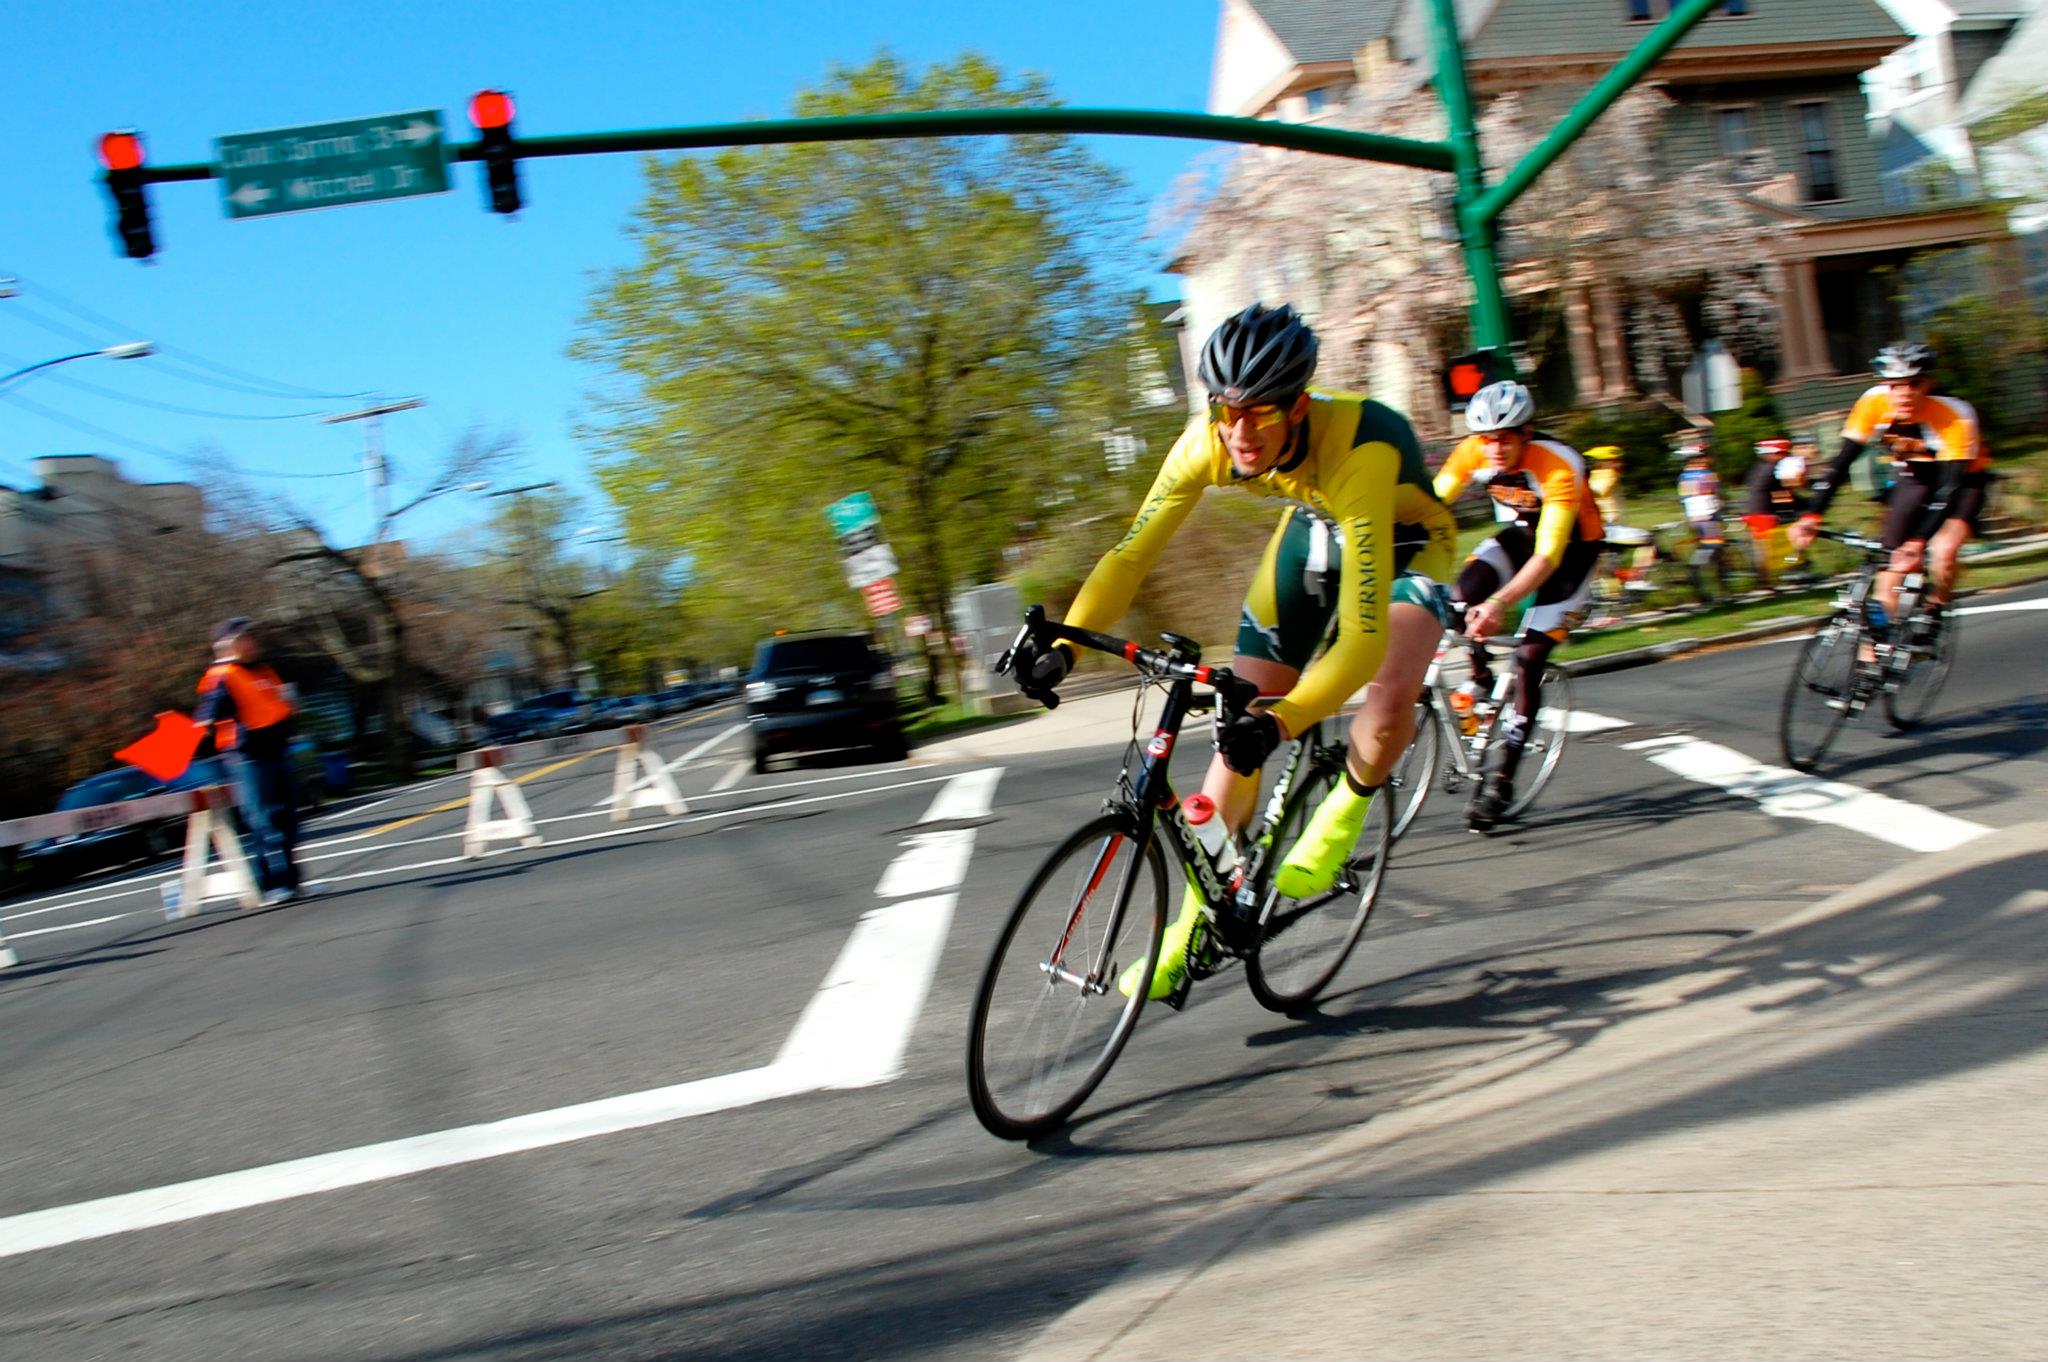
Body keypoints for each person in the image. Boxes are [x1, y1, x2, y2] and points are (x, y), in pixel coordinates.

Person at [1005, 303, 1458, 1006]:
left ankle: (1346, 811)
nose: (1241, 432)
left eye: (1261, 413)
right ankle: (1193, 926)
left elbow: (1361, 642)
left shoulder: (1357, 449)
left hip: (1404, 542)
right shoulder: (1207, 443)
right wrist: (1064, 645)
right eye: (1227, 410)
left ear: (1299, 406)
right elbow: (1129, 557)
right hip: (1316, 531)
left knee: (1388, 689)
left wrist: (1284, 722)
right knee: (1232, 741)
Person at [1432, 380, 1604, 830]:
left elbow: (1548, 555)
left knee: (1528, 659)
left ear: (1527, 433)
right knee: (1457, 601)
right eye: (1486, 439)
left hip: (1570, 555)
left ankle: (1502, 780)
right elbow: (1429, 506)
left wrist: (1499, 603)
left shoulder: (1558, 466)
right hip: (1525, 535)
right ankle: (1482, 680)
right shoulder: (1474, 451)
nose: (1493, 448)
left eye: (1504, 439)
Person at [1788, 342, 1988, 639]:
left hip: (1961, 483)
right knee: (1889, 570)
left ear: (1927, 384)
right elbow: (1841, 463)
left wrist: (1918, 541)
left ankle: (1935, 606)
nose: (1904, 393)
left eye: (1913, 384)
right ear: (1885, 385)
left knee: (1943, 552)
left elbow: (1948, 489)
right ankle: (1873, 658)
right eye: (1895, 385)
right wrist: (1811, 514)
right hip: (1913, 478)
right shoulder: (1873, 402)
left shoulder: (1954, 414)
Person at [195, 616, 305, 906]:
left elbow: (280, 706)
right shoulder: (222, 676)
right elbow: (206, 717)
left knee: (287, 820)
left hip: (277, 752)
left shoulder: (263, 671)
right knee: (264, 822)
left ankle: (290, 882)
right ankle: (269, 885)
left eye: (252, 637)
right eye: (245, 638)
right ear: (228, 644)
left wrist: (291, 707)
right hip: (248, 759)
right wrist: (207, 720)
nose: (253, 642)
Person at [1742, 437, 1808, 586]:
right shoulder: (1775, 468)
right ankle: (1794, 570)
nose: (1786, 456)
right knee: (1793, 536)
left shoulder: (1759, 468)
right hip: (1764, 514)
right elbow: (1788, 487)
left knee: (1762, 549)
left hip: (1753, 512)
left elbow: (1778, 491)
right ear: (1774, 454)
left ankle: (1765, 581)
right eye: (1783, 453)